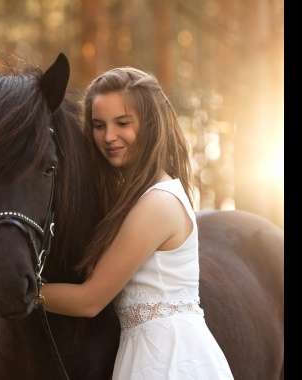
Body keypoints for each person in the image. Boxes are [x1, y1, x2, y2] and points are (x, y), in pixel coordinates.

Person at [40, 67, 234, 379]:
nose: (109, 137)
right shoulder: (138, 198)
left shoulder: (157, 204)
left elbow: (90, 300)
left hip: (169, 362)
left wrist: (20, 291)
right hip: (147, 355)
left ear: (151, 124)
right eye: (99, 125)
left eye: (123, 123)